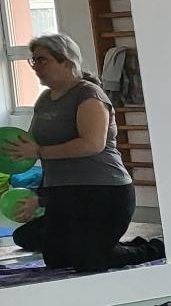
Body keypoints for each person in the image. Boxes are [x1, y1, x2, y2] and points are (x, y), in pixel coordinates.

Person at [5, 33, 162, 271]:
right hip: (63, 194)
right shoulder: (45, 99)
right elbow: (30, 143)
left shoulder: (89, 95)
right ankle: (104, 245)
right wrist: (38, 195)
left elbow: (92, 144)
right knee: (57, 260)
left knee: (90, 261)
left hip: (104, 191)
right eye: (33, 60)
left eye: (42, 60)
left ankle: (155, 247)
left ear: (66, 61)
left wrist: (39, 151)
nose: (36, 67)